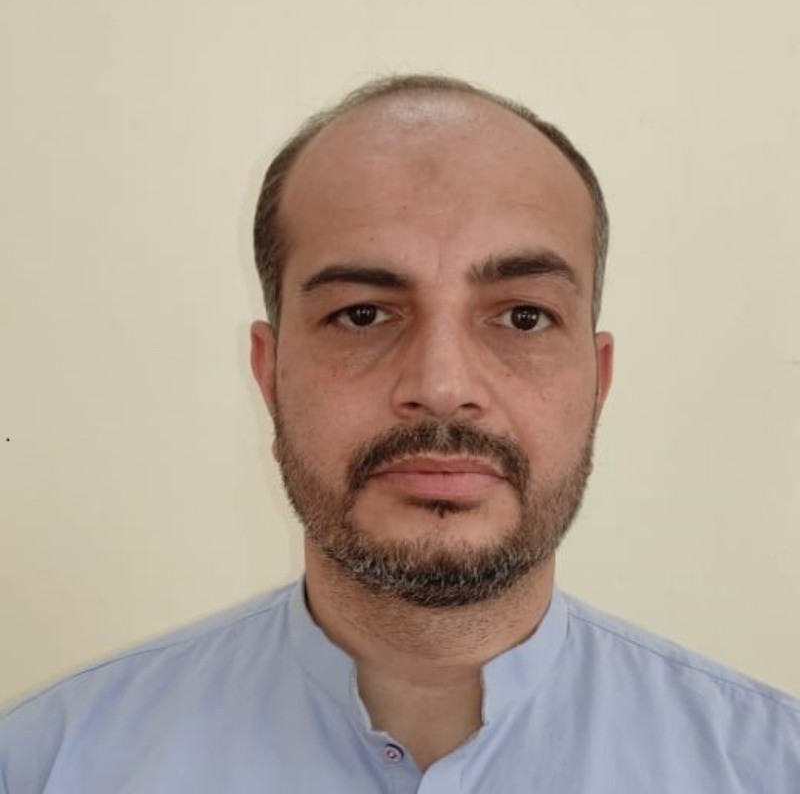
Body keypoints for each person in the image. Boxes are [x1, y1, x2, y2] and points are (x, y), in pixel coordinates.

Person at [1, 74, 798, 793]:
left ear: (598, 382)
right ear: (269, 376)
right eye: (361, 314)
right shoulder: (47, 766)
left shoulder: (769, 767)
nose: (443, 386)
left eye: (524, 317)